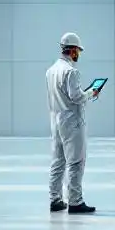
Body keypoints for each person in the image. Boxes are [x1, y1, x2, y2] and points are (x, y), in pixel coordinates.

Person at [46, 32, 101, 214]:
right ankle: (75, 202)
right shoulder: (71, 71)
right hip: (72, 123)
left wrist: (82, 93)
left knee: (58, 162)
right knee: (76, 162)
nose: (79, 54)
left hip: (56, 121)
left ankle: (55, 199)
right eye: (78, 50)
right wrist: (91, 93)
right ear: (73, 50)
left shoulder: (51, 71)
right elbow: (76, 97)